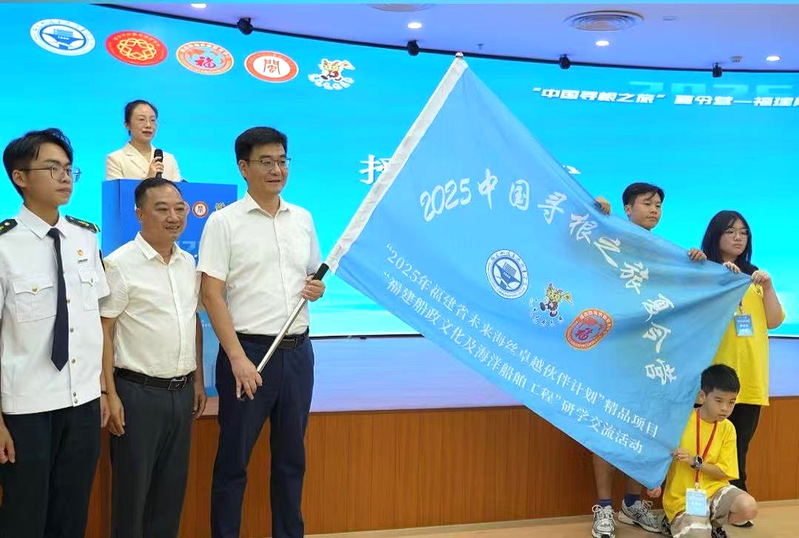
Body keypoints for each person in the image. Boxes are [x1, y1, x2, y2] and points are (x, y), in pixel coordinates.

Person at [197, 126, 325, 538]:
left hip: (298, 353)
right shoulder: (224, 222)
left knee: (291, 460)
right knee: (233, 462)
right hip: (248, 353)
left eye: (282, 161)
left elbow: (313, 279)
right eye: (266, 162)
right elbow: (211, 294)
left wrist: (317, 289)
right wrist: (237, 358)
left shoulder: (302, 219)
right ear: (243, 167)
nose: (276, 170)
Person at [0, 128, 110, 537]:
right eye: (52, 168)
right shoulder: (4, 245)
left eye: (68, 168)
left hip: (82, 402)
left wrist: (102, 390)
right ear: (20, 177)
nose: (65, 177)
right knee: (24, 516)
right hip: (26, 408)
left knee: (71, 514)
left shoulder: (86, 236)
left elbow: (95, 320)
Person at [591, 182, 705, 538]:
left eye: (659, 205)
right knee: (607, 431)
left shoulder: (663, 252)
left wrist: (697, 264)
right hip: (612, 354)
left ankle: (631, 503)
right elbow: (580, 248)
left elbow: (683, 291)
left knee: (642, 431)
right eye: (647, 203)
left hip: (651, 356)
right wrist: (592, 211)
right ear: (628, 208)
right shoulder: (610, 235)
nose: (655, 209)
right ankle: (604, 507)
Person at [99, 177, 207, 537]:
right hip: (137, 394)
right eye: (162, 209)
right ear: (139, 213)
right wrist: (109, 393)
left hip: (181, 393)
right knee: (132, 496)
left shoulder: (187, 262)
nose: (173, 217)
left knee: (170, 494)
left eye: (179, 208)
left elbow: (192, 320)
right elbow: (104, 330)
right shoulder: (119, 264)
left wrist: (197, 380)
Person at [700, 210, 785, 530]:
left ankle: (735, 504)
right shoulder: (705, 271)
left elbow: (774, 321)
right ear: (716, 234)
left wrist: (769, 286)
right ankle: (697, 504)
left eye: (743, 232)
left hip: (749, 376)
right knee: (704, 443)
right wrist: (721, 280)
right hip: (714, 376)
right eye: (730, 231)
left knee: (739, 443)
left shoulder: (755, 277)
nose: (738, 237)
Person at [649, 364, 758, 538]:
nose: (725, 408)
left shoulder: (728, 428)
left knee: (748, 507)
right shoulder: (681, 421)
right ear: (702, 396)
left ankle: (712, 525)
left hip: (715, 490)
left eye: (731, 402)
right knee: (698, 535)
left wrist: (695, 462)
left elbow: (724, 472)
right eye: (719, 401)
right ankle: (674, 523)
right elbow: (659, 453)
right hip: (682, 498)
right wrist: (653, 482)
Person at [106, 99, 182, 181]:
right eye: (141, 119)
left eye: (152, 120)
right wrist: (148, 178)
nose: (148, 125)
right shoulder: (116, 159)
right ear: (127, 125)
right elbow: (118, 189)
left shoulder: (169, 159)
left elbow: (179, 188)